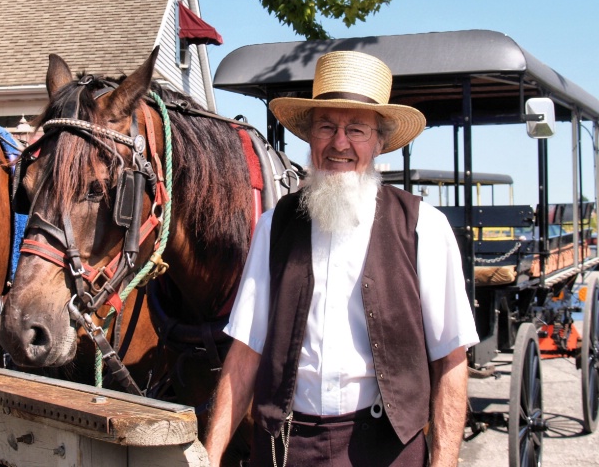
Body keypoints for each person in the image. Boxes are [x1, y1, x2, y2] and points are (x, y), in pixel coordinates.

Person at [204, 50, 479, 467]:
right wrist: (209, 457)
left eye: (356, 129)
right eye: (326, 127)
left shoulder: (425, 227)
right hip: (285, 448)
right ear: (310, 137)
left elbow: (451, 359)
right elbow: (244, 355)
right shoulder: (273, 227)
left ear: (380, 141)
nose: (339, 143)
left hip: (389, 448)